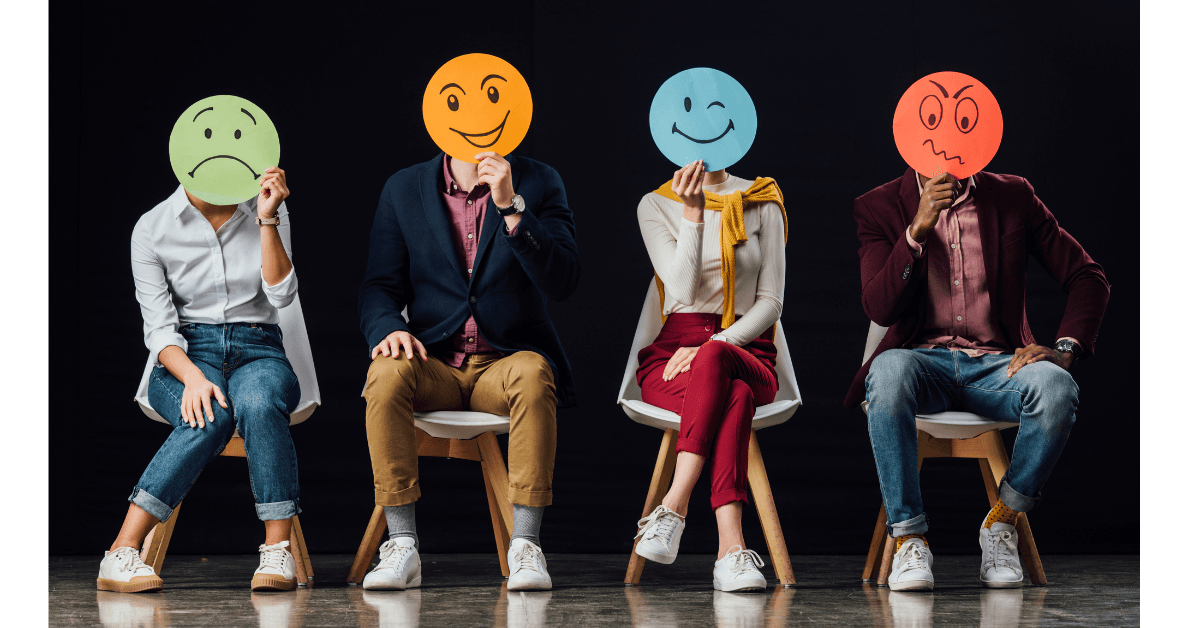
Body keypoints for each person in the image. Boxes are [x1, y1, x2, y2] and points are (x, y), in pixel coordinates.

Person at [849, 168, 1109, 590]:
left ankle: (1003, 521)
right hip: (922, 362)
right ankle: (910, 539)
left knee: (1057, 388)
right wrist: (916, 230)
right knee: (888, 370)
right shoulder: (877, 205)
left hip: (998, 366)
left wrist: (1065, 348)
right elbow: (879, 308)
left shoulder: (1013, 196)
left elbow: (1088, 276)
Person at [358, 150, 579, 591]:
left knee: (536, 374)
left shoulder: (540, 180)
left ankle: (527, 546)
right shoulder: (404, 187)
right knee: (384, 373)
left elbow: (563, 281)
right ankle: (402, 544)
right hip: (433, 361)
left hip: (505, 360)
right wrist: (388, 327)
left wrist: (511, 206)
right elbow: (379, 286)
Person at [99, 167, 303, 593]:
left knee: (260, 402)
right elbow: (158, 329)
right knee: (207, 416)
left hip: (259, 346)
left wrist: (267, 218)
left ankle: (276, 551)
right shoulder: (153, 227)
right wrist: (192, 378)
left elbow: (283, 296)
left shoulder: (267, 207)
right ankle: (121, 551)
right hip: (188, 352)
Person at [631, 160, 787, 592]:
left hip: (747, 351)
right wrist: (693, 213)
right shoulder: (656, 203)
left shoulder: (762, 198)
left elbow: (771, 302)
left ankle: (674, 505)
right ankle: (731, 552)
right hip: (672, 354)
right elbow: (679, 290)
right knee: (733, 396)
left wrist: (717, 344)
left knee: (721, 364)